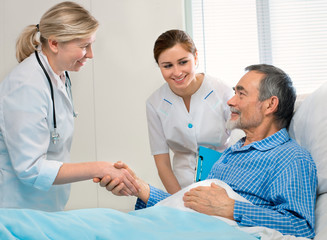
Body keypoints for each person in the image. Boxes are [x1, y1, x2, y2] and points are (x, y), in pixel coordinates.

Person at [98, 64, 317, 239]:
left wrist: (231, 208)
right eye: (234, 93)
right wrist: (140, 188)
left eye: (241, 94)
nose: (231, 101)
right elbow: (192, 206)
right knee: (101, 224)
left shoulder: (291, 157)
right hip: (190, 227)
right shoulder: (231, 154)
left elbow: (300, 227)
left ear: (270, 105)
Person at [0, 1, 139, 212]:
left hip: (46, 207)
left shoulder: (59, 76)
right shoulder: (25, 86)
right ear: (55, 43)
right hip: (17, 210)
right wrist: (99, 167)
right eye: (84, 46)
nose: (91, 54)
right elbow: (31, 169)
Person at [146, 29, 234, 193]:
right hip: (181, 187)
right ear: (159, 66)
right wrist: (179, 201)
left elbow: (249, 139)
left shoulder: (222, 91)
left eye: (183, 62)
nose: (177, 72)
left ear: (195, 57)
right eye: (167, 66)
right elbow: (162, 163)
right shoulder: (155, 103)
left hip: (224, 185)